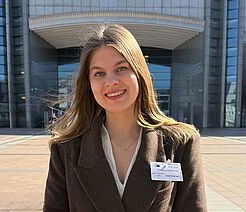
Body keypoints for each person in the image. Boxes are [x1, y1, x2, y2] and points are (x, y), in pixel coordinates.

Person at [43, 24, 207, 212]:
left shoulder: (180, 143)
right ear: (89, 84)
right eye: (99, 73)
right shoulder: (66, 149)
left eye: (121, 68)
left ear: (138, 72)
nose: (111, 81)